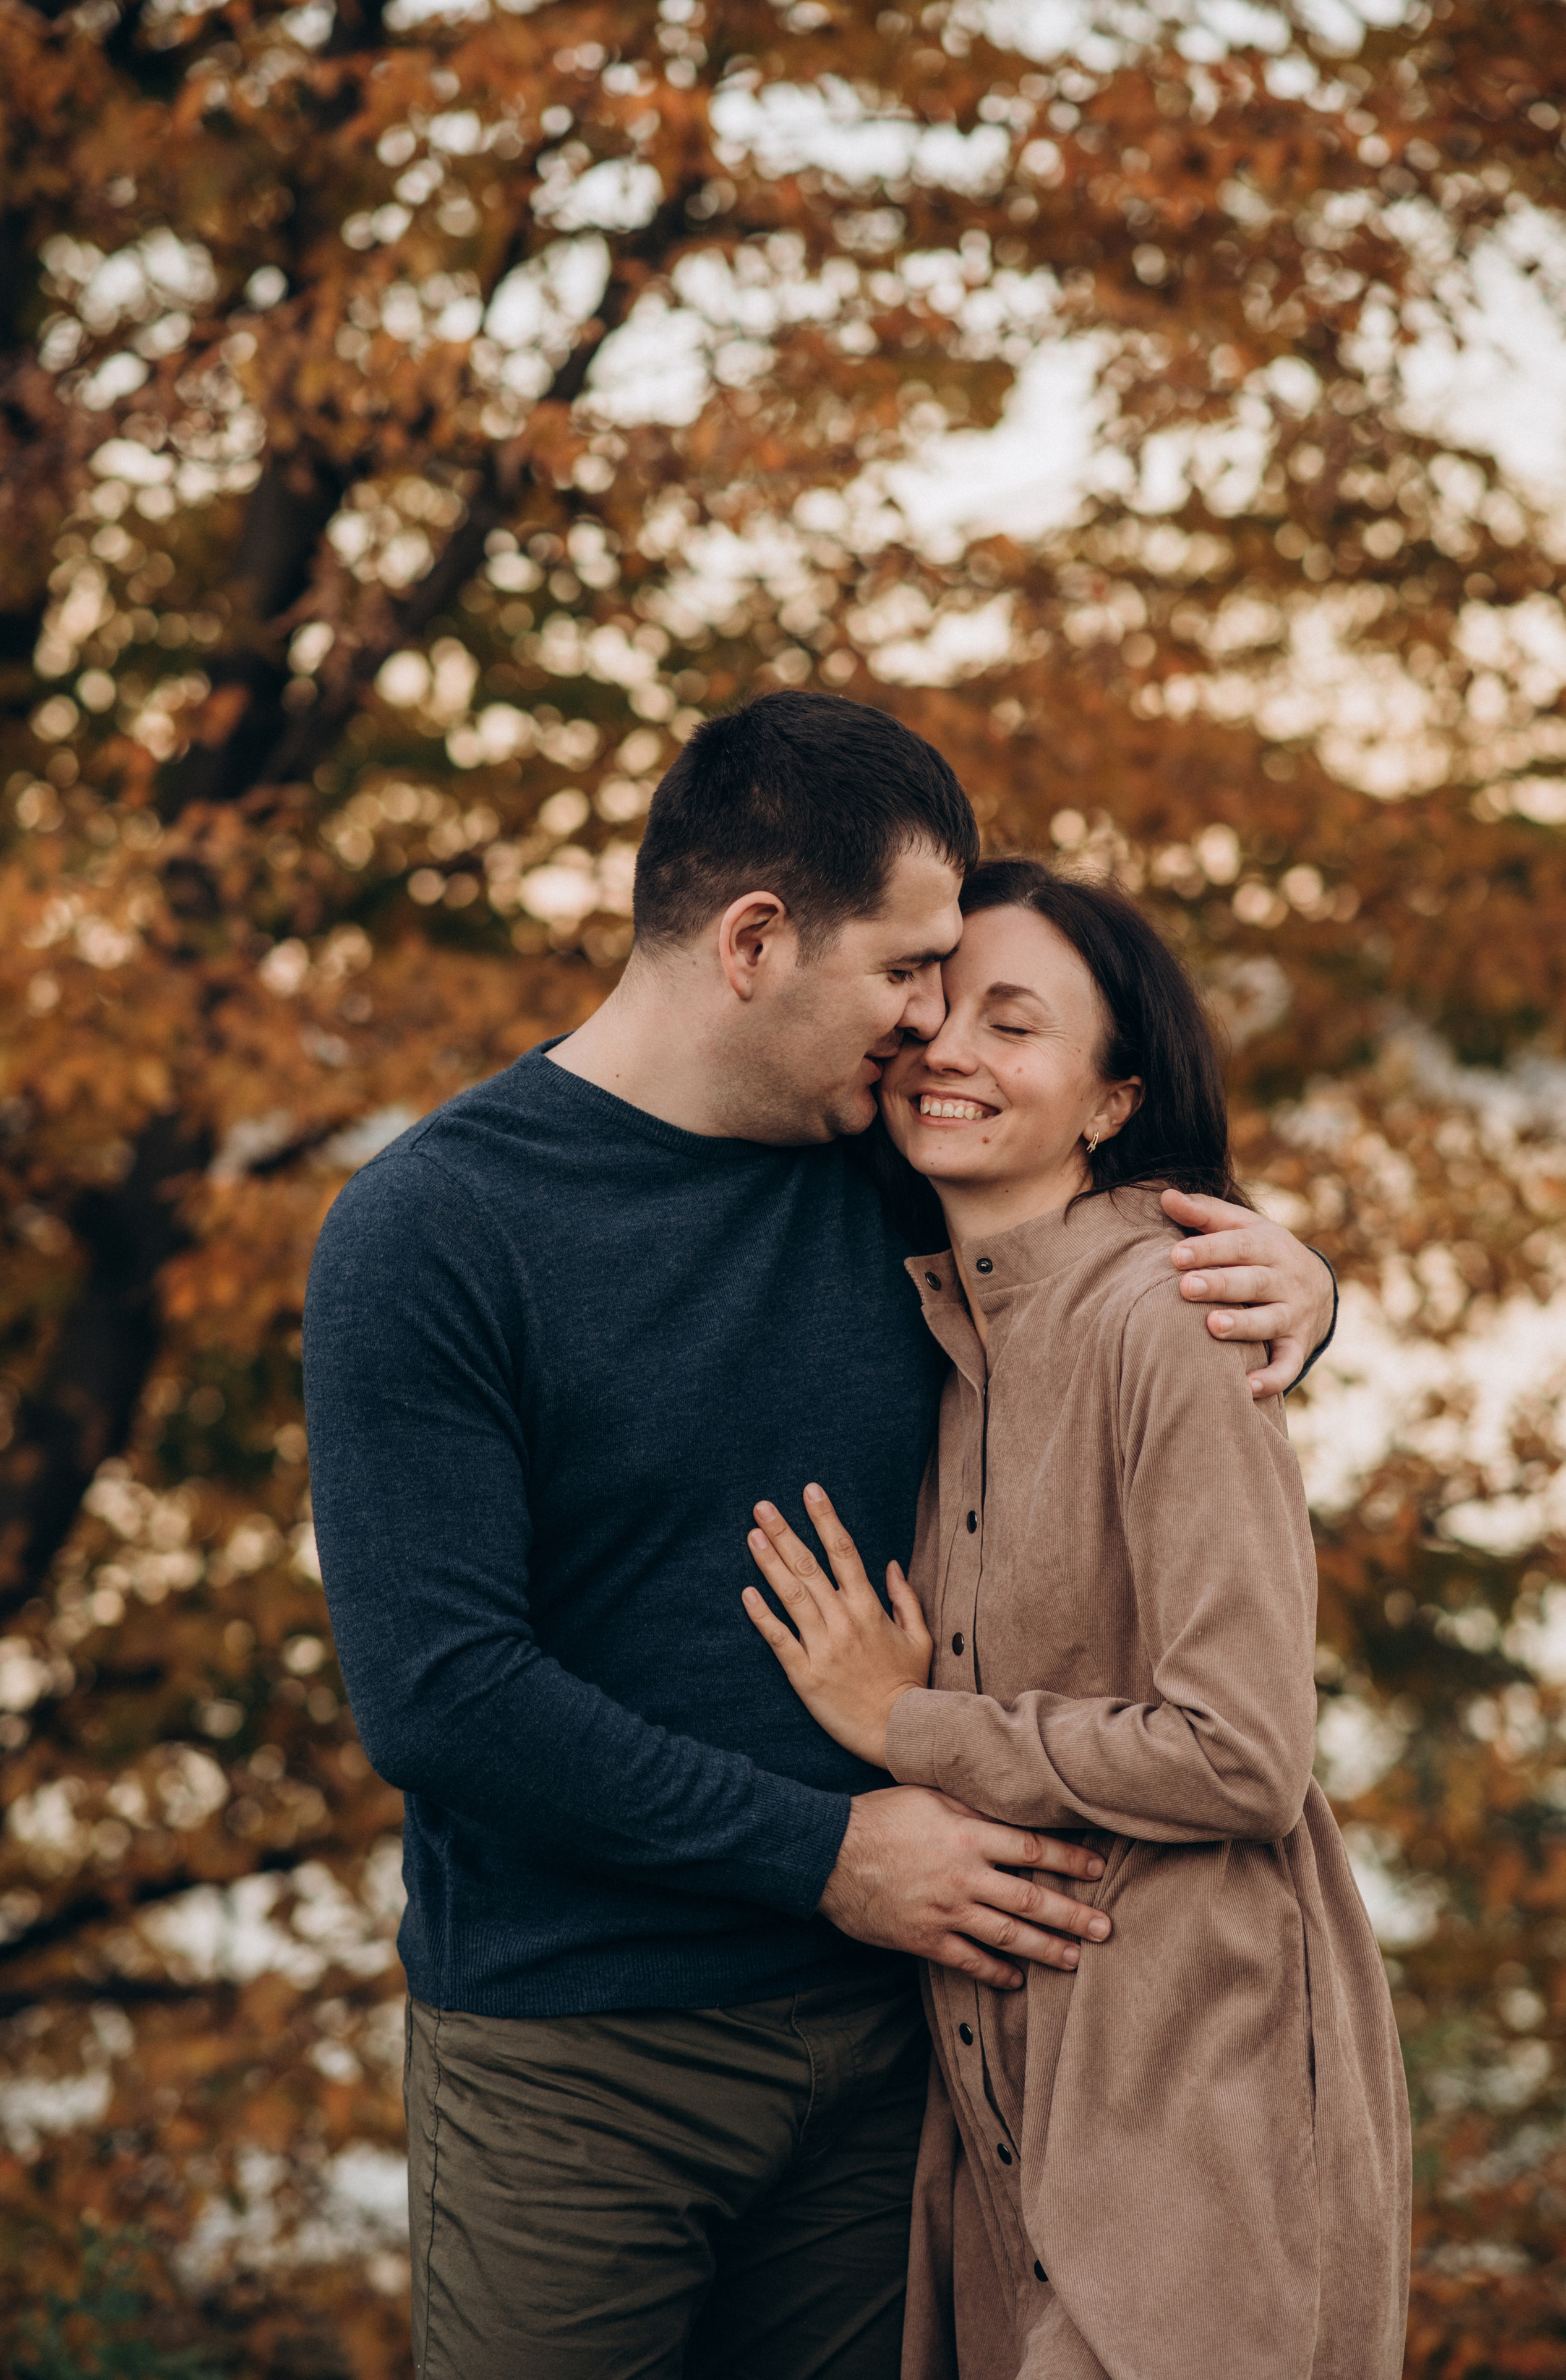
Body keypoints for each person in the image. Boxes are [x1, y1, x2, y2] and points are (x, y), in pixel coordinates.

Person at [301, 696, 1340, 2380]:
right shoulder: (432, 1230)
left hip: (899, 2049)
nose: (930, 1021)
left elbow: (1098, 1261)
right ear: (755, 942)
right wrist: (831, 1856)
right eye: (907, 970)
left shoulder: (886, 1173)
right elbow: (443, 1695)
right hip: (580, 2059)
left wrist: (1302, 1288)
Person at [740, 856, 1410, 2380]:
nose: (951, 1050)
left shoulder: (1171, 1316)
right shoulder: (951, 1328)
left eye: (1015, 1023)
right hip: (1002, 2120)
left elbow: (1242, 1752)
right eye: (935, 1010)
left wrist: (904, 1724)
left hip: (1191, 2109)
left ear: (1112, 1100)